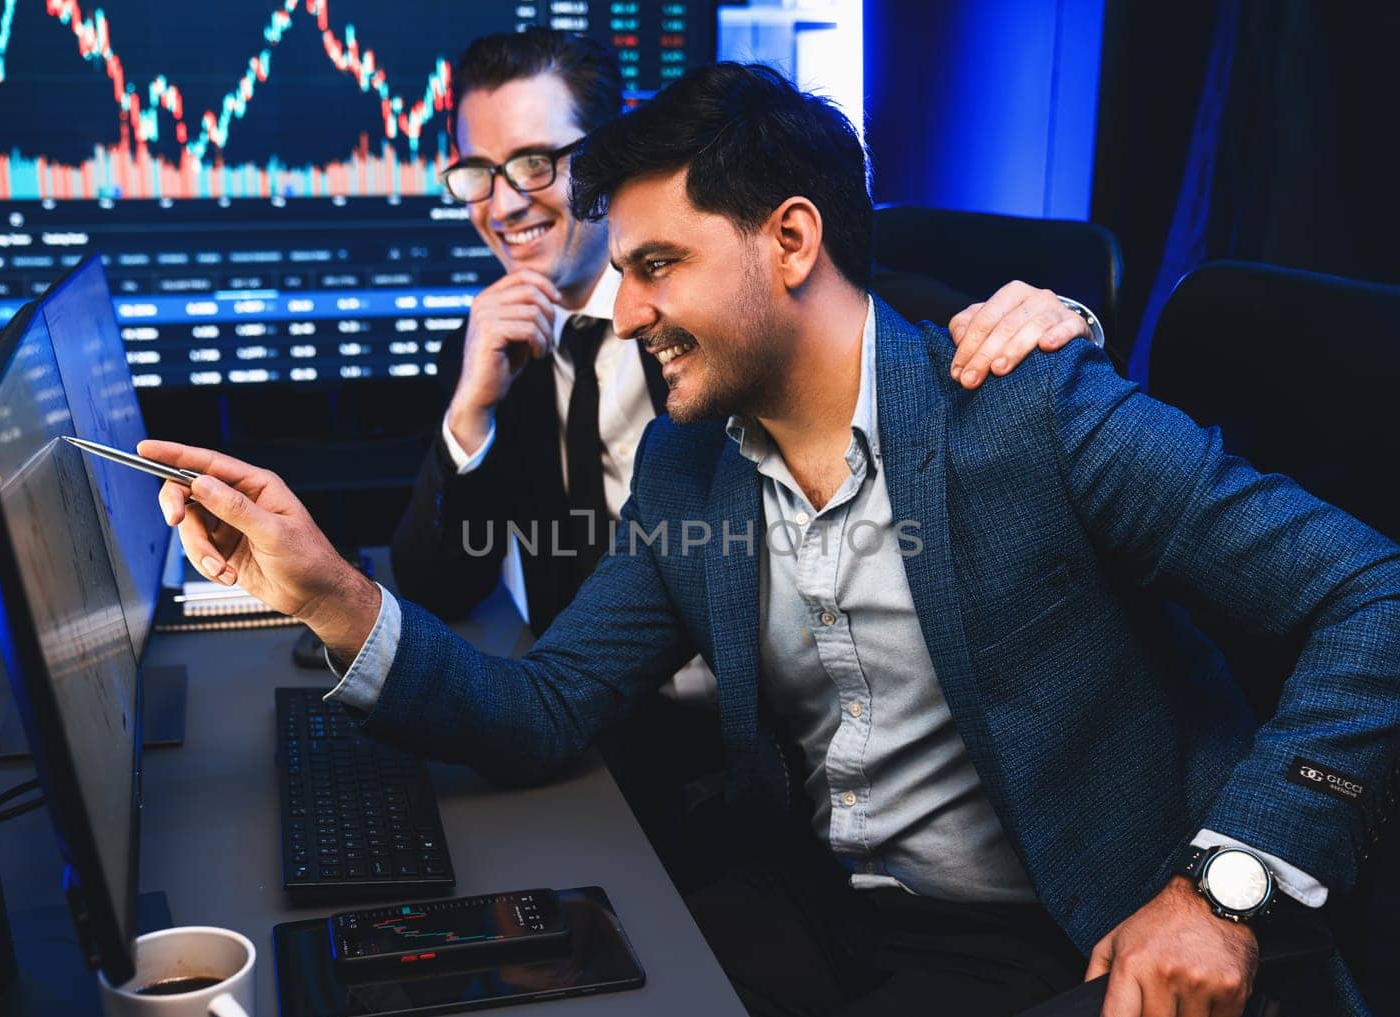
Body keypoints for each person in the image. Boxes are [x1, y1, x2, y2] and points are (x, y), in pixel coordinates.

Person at [139, 63, 1400, 1017]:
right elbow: (544, 705)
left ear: (788, 239)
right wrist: (325, 591)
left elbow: (1388, 598)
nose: (632, 309)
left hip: (1058, 945)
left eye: (659, 265)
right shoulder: (690, 470)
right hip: (824, 908)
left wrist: (1224, 884)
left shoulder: (1031, 409)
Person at [389, 30, 1098, 633]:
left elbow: (902, 316)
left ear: (606, 153)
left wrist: (1068, 322)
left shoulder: (741, 293)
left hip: (773, 717)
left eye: (535, 163)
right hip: (601, 721)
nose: (505, 203)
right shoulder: (490, 348)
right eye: (477, 172)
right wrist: (467, 416)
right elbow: (439, 591)